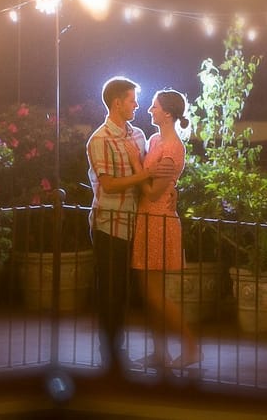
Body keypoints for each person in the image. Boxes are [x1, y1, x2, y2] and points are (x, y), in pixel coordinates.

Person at [128, 89, 202, 370]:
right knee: (150, 293)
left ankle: (191, 346)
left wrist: (137, 167)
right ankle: (160, 351)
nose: (150, 110)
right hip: (149, 218)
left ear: (168, 113)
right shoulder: (156, 139)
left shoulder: (172, 148)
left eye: (154, 106)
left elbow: (153, 192)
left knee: (156, 293)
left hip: (158, 220)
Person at [86, 76, 151, 375]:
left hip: (131, 221)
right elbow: (109, 185)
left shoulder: (137, 135)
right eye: (132, 99)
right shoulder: (99, 140)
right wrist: (143, 175)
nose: (136, 104)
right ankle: (109, 354)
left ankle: (118, 351)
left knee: (122, 290)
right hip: (108, 222)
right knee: (110, 290)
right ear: (117, 102)